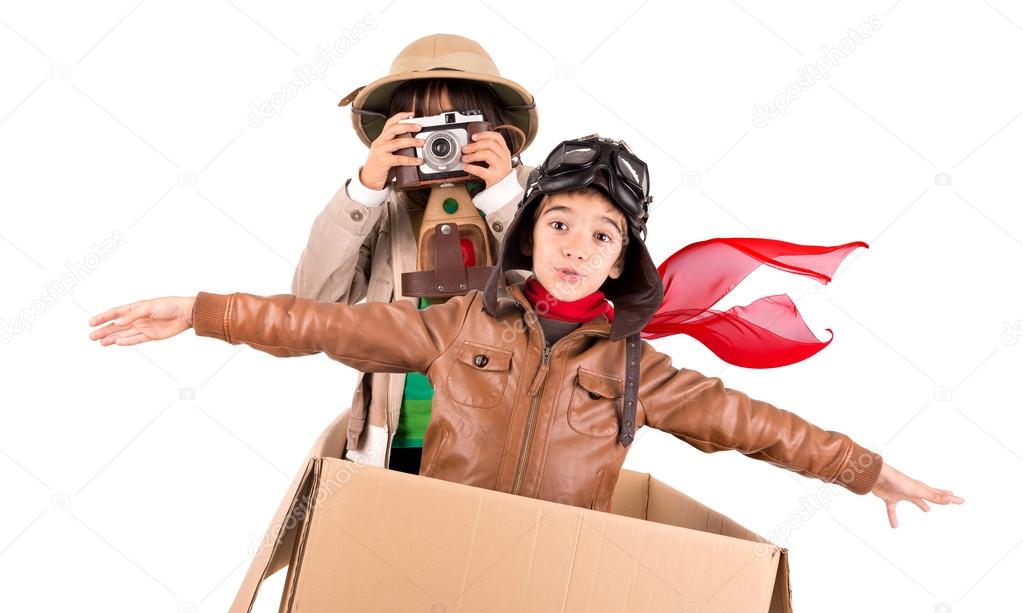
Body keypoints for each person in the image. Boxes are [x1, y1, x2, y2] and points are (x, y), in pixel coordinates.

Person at [88, 136, 963, 528]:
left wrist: (867, 471)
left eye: (601, 234)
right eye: (560, 223)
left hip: (551, 579)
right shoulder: (456, 322)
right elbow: (318, 321)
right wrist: (200, 310)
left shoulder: (636, 371)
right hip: (431, 552)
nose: (576, 247)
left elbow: (760, 427)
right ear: (529, 230)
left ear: (622, 259)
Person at [293, 33, 538, 474]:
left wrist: (504, 197)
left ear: (495, 126)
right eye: (424, 128)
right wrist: (365, 190)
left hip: (506, 437)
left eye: (458, 125)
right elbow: (312, 306)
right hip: (398, 437)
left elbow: (562, 298)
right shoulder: (381, 207)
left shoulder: (538, 195)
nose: (441, 142)